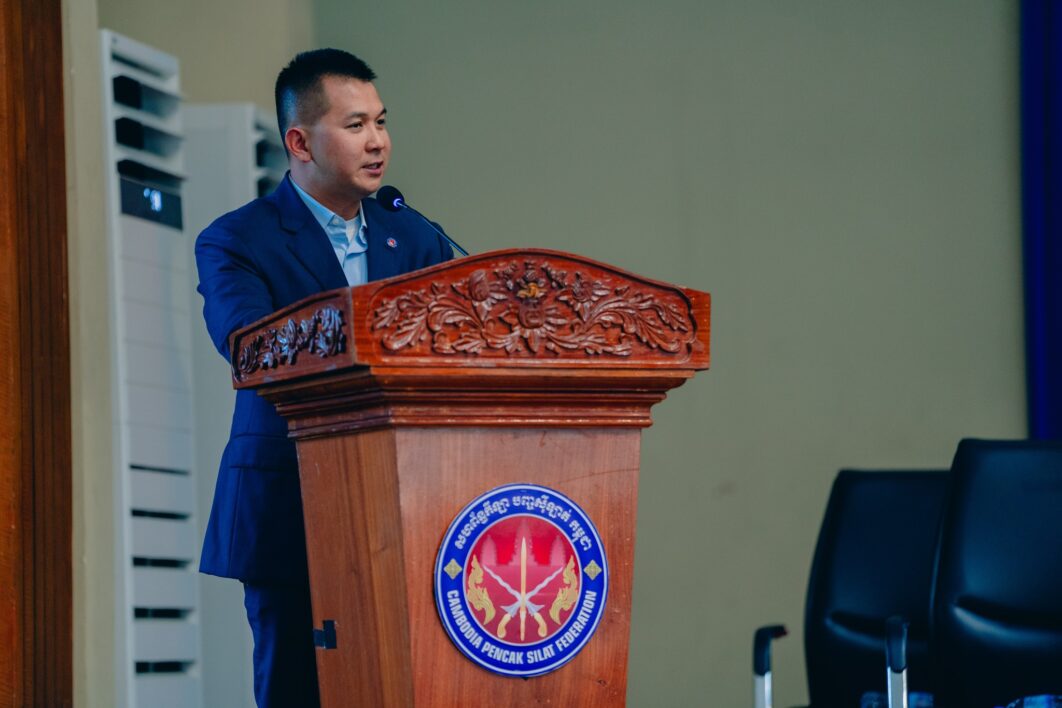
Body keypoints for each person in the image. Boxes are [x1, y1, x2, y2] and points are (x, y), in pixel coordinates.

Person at [194, 49, 453, 707]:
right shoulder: (237, 239)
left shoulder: (415, 237)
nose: (378, 141)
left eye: (381, 122)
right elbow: (248, 347)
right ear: (300, 142)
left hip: (410, 502)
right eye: (356, 124)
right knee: (297, 691)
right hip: (290, 503)